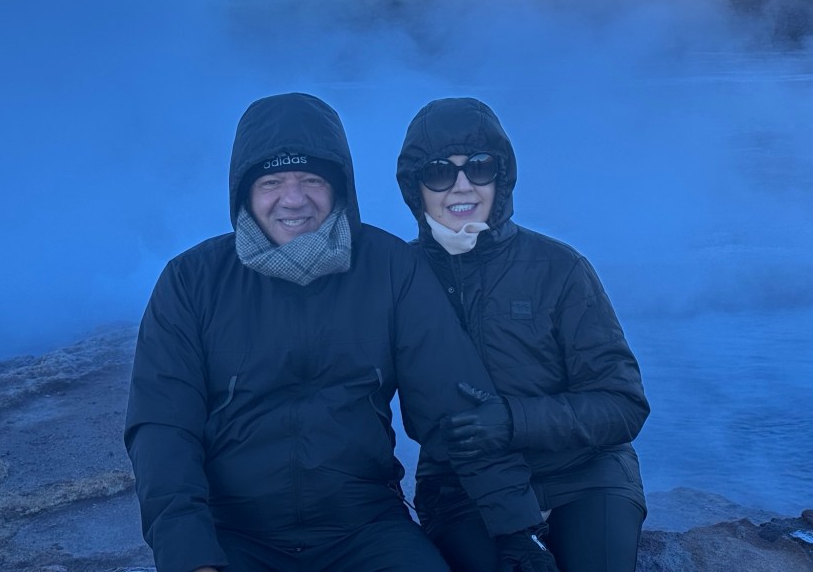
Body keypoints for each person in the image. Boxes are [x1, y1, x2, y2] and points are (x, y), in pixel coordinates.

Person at [124, 92, 558, 572]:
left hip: (365, 528)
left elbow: (454, 406)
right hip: (234, 533)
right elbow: (163, 429)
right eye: (272, 182)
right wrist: (190, 557)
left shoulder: (390, 268)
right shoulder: (192, 281)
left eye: (312, 179)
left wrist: (515, 528)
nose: (294, 199)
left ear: (340, 186)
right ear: (244, 191)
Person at [396, 97, 651, 572]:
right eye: (438, 172)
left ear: (502, 176)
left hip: (584, 475)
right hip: (461, 489)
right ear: (416, 186)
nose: (462, 185)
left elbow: (623, 404)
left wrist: (515, 420)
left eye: (479, 166)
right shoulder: (400, 279)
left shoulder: (560, 268)